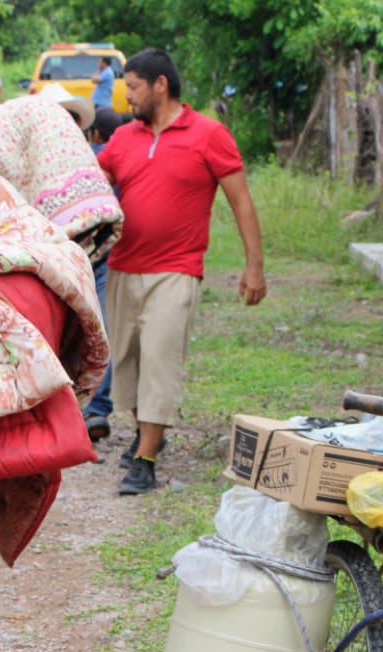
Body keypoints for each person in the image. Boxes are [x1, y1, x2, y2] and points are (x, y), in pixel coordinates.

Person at [96, 48, 265, 495]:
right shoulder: (124, 139)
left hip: (176, 270)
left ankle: (145, 459)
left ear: (160, 85)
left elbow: (241, 202)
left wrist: (254, 267)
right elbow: (90, 185)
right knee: (129, 366)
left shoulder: (209, 134)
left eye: (133, 87)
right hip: (123, 267)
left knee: (160, 360)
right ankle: (147, 431)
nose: (127, 97)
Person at [81, 106, 125, 442]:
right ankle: (96, 408)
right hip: (110, 253)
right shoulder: (120, 160)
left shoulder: (83, 159)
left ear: (94, 133)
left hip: (77, 253)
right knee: (105, 330)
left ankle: (72, 407)